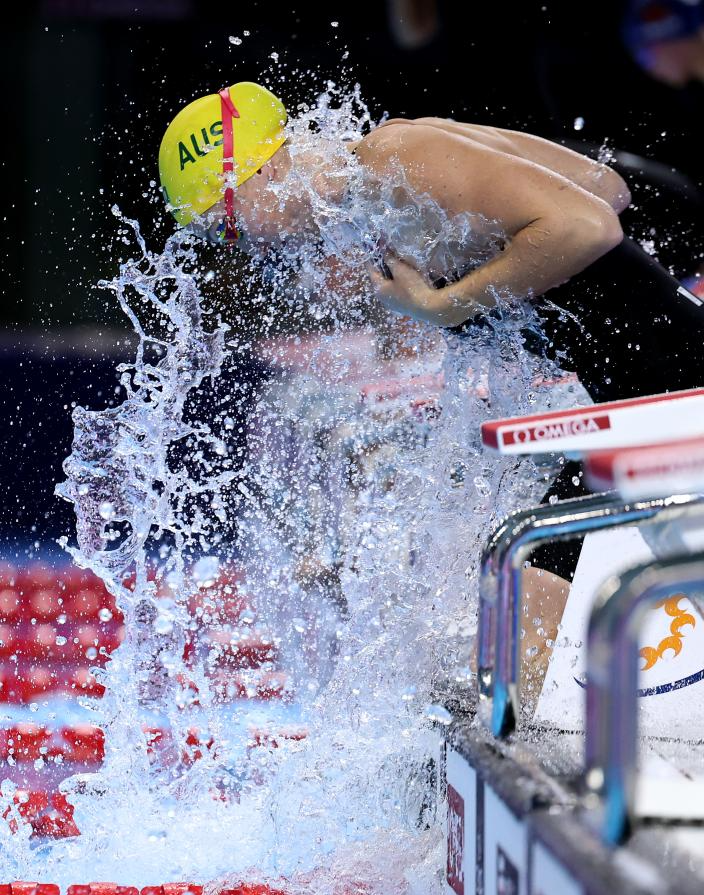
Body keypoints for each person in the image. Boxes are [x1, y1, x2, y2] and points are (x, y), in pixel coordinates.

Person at [158, 82, 704, 689]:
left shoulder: (394, 160)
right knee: (521, 600)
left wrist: (446, 305)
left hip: (678, 407)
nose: (238, 244)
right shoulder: (380, 178)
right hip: (650, 411)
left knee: (518, 610)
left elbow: (589, 226)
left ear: (262, 171)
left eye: (226, 222)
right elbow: (604, 186)